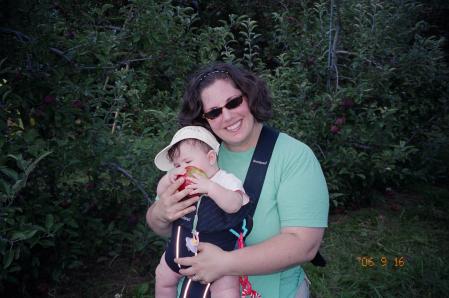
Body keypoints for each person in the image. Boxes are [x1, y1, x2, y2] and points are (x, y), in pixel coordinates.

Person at [146, 63, 329, 298]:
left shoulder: (294, 156)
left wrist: (224, 263)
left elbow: (305, 245)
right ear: (204, 119)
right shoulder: (197, 158)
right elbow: (159, 224)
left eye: (233, 102)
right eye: (214, 112)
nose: (227, 116)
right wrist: (161, 212)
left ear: (250, 97)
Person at [153, 125, 251, 298]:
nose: (182, 169)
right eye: (177, 165)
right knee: (162, 277)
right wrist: (169, 178)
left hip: (218, 259)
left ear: (211, 157)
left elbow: (235, 204)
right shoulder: (181, 183)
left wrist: (210, 188)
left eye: (188, 162)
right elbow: (160, 193)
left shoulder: (225, 180)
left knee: (227, 290)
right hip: (178, 253)